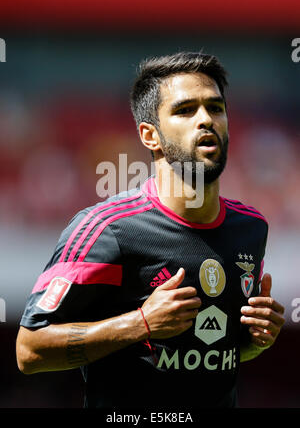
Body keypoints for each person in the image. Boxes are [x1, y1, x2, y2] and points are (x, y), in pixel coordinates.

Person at [16, 52, 285, 409]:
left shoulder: (251, 227)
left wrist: (256, 339)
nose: (205, 119)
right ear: (150, 135)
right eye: (186, 110)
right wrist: (140, 323)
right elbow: (30, 350)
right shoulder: (106, 229)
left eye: (215, 108)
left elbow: (214, 351)